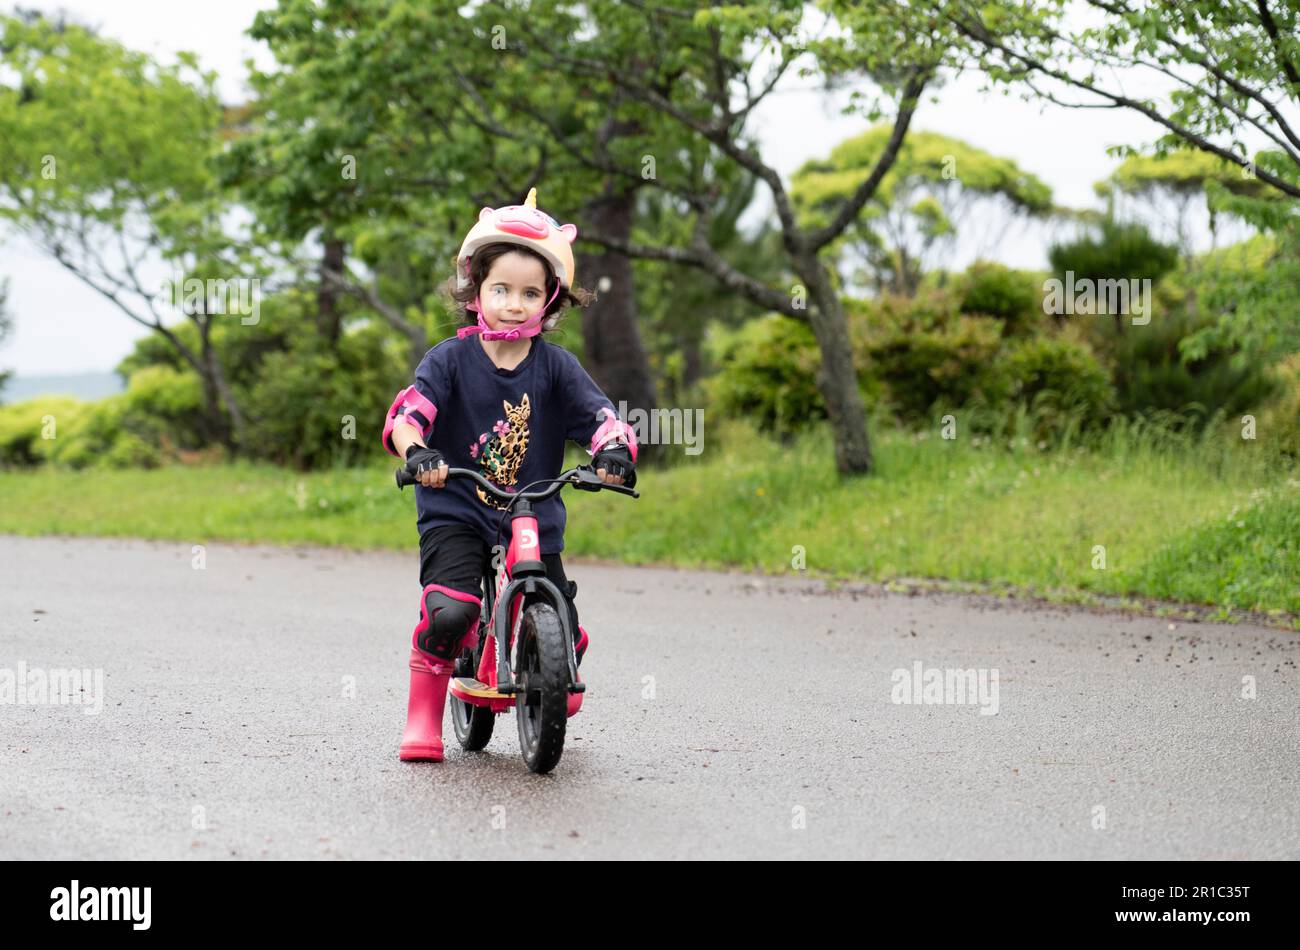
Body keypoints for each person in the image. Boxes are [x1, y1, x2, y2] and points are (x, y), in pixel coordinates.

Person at [381, 187, 638, 763]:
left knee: (560, 612)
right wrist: (417, 452)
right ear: (476, 290)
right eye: (501, 289)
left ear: (550, 300)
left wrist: (614, 451)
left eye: (530, 293)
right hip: (457, 505)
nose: (515, 304)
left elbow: (601, 419)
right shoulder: (449, 360)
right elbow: (409, 415)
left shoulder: (557, 368)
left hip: (532, 509)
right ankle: (423, 715)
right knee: (451, 611)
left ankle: (557, 644)